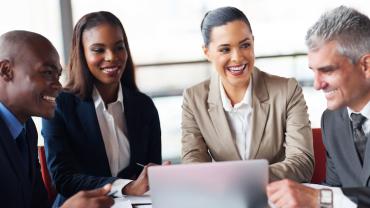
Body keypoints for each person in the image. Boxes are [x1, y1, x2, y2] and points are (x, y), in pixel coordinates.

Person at [42, 11, 164, 207]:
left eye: (119, 47)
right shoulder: (60, 105)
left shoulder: (144, 106)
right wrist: (124, 187)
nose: (111, 57)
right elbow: (63, 179)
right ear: (82, 53)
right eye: (98, 50)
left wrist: (157, 175)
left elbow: (150, 174)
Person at [181, 6, 314, 182]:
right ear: (207, 52)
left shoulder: (287, 90)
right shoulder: (194, 99)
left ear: (253, 42)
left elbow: (302, 163)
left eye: (245, 45)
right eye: (225, 49)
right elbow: (193, 162)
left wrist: (243, 178)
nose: (237, 57)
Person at [267, 6, 370, 208]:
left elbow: (329, 199)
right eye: (313, 71)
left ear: (366, 66)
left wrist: (318, 198)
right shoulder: (332, 120)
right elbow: (334, 190)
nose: (317, 84)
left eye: (327, 70)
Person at [0, 30, 114, 208]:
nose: (59, 86)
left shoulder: (27, 129)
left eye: (58, 75)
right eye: (47, 73)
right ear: (6, 71)